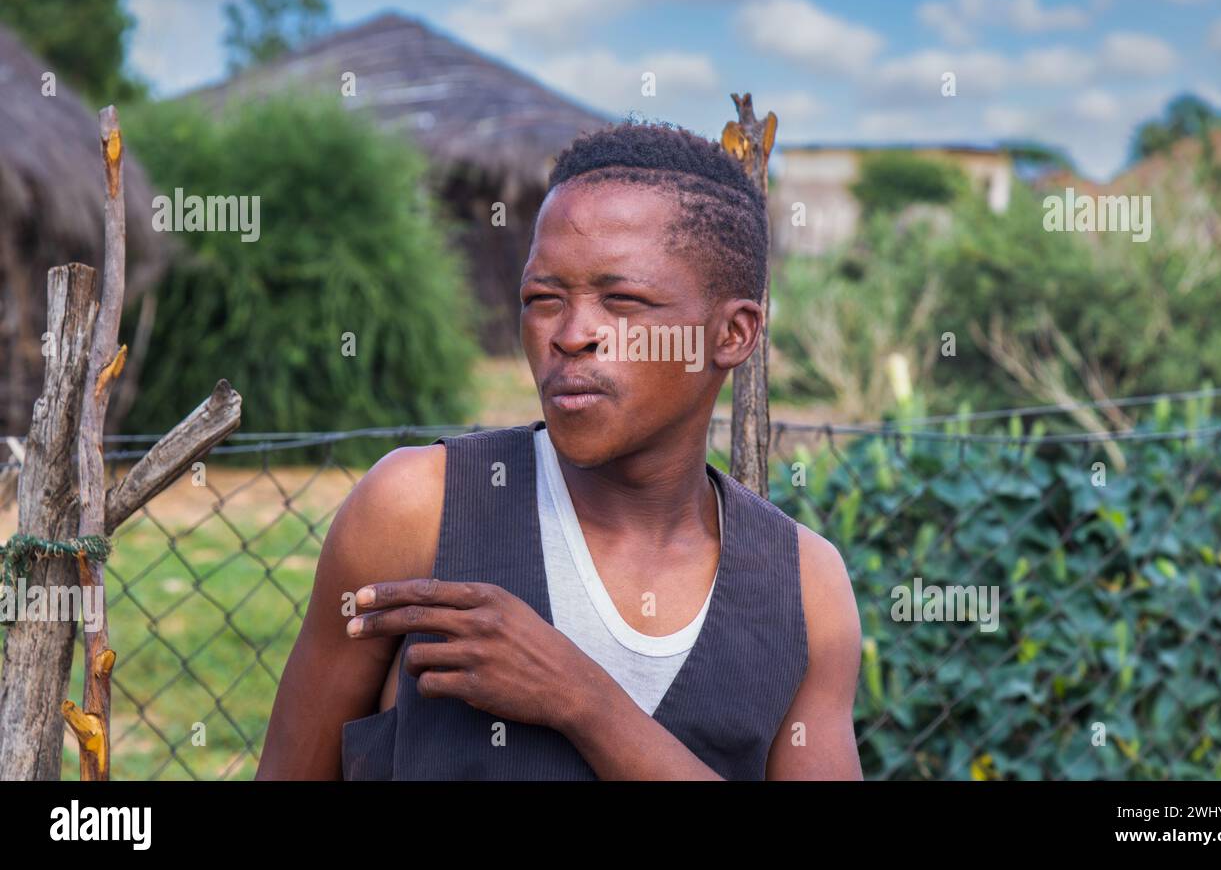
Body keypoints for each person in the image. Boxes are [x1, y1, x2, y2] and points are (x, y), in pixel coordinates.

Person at [256, 121, 864, 780]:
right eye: (543, 300)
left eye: (623, 301)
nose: (572, 335)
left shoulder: (804, 587)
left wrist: (582, 699)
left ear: (733, 334)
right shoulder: (422, 510)